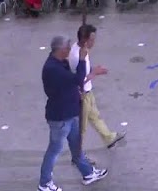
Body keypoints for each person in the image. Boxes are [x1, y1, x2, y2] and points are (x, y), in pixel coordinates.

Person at [39, 35, 107, 191]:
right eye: (68, 48)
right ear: (61, 50)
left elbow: (74, 81)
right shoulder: (53, 69)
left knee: (76, 146)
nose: (70, 50)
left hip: (70, 113)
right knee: (54, 151)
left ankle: (88, 173)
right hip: (60, 118)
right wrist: (82, 60)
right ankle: (44, 183)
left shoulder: (59, 62)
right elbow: (77, 79)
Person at [68, 24, 126, 151]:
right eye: (92, 39)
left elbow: (84, 70)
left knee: (95, 116)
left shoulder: (82, 50)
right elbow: (79, 80)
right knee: (81, 128)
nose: (94, 42)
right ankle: (77, 153)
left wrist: (93, 69)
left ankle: (109, 138)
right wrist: (95, 73)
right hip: (81, 95)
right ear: (85, 40)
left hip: (88, 92)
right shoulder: (77, 56)